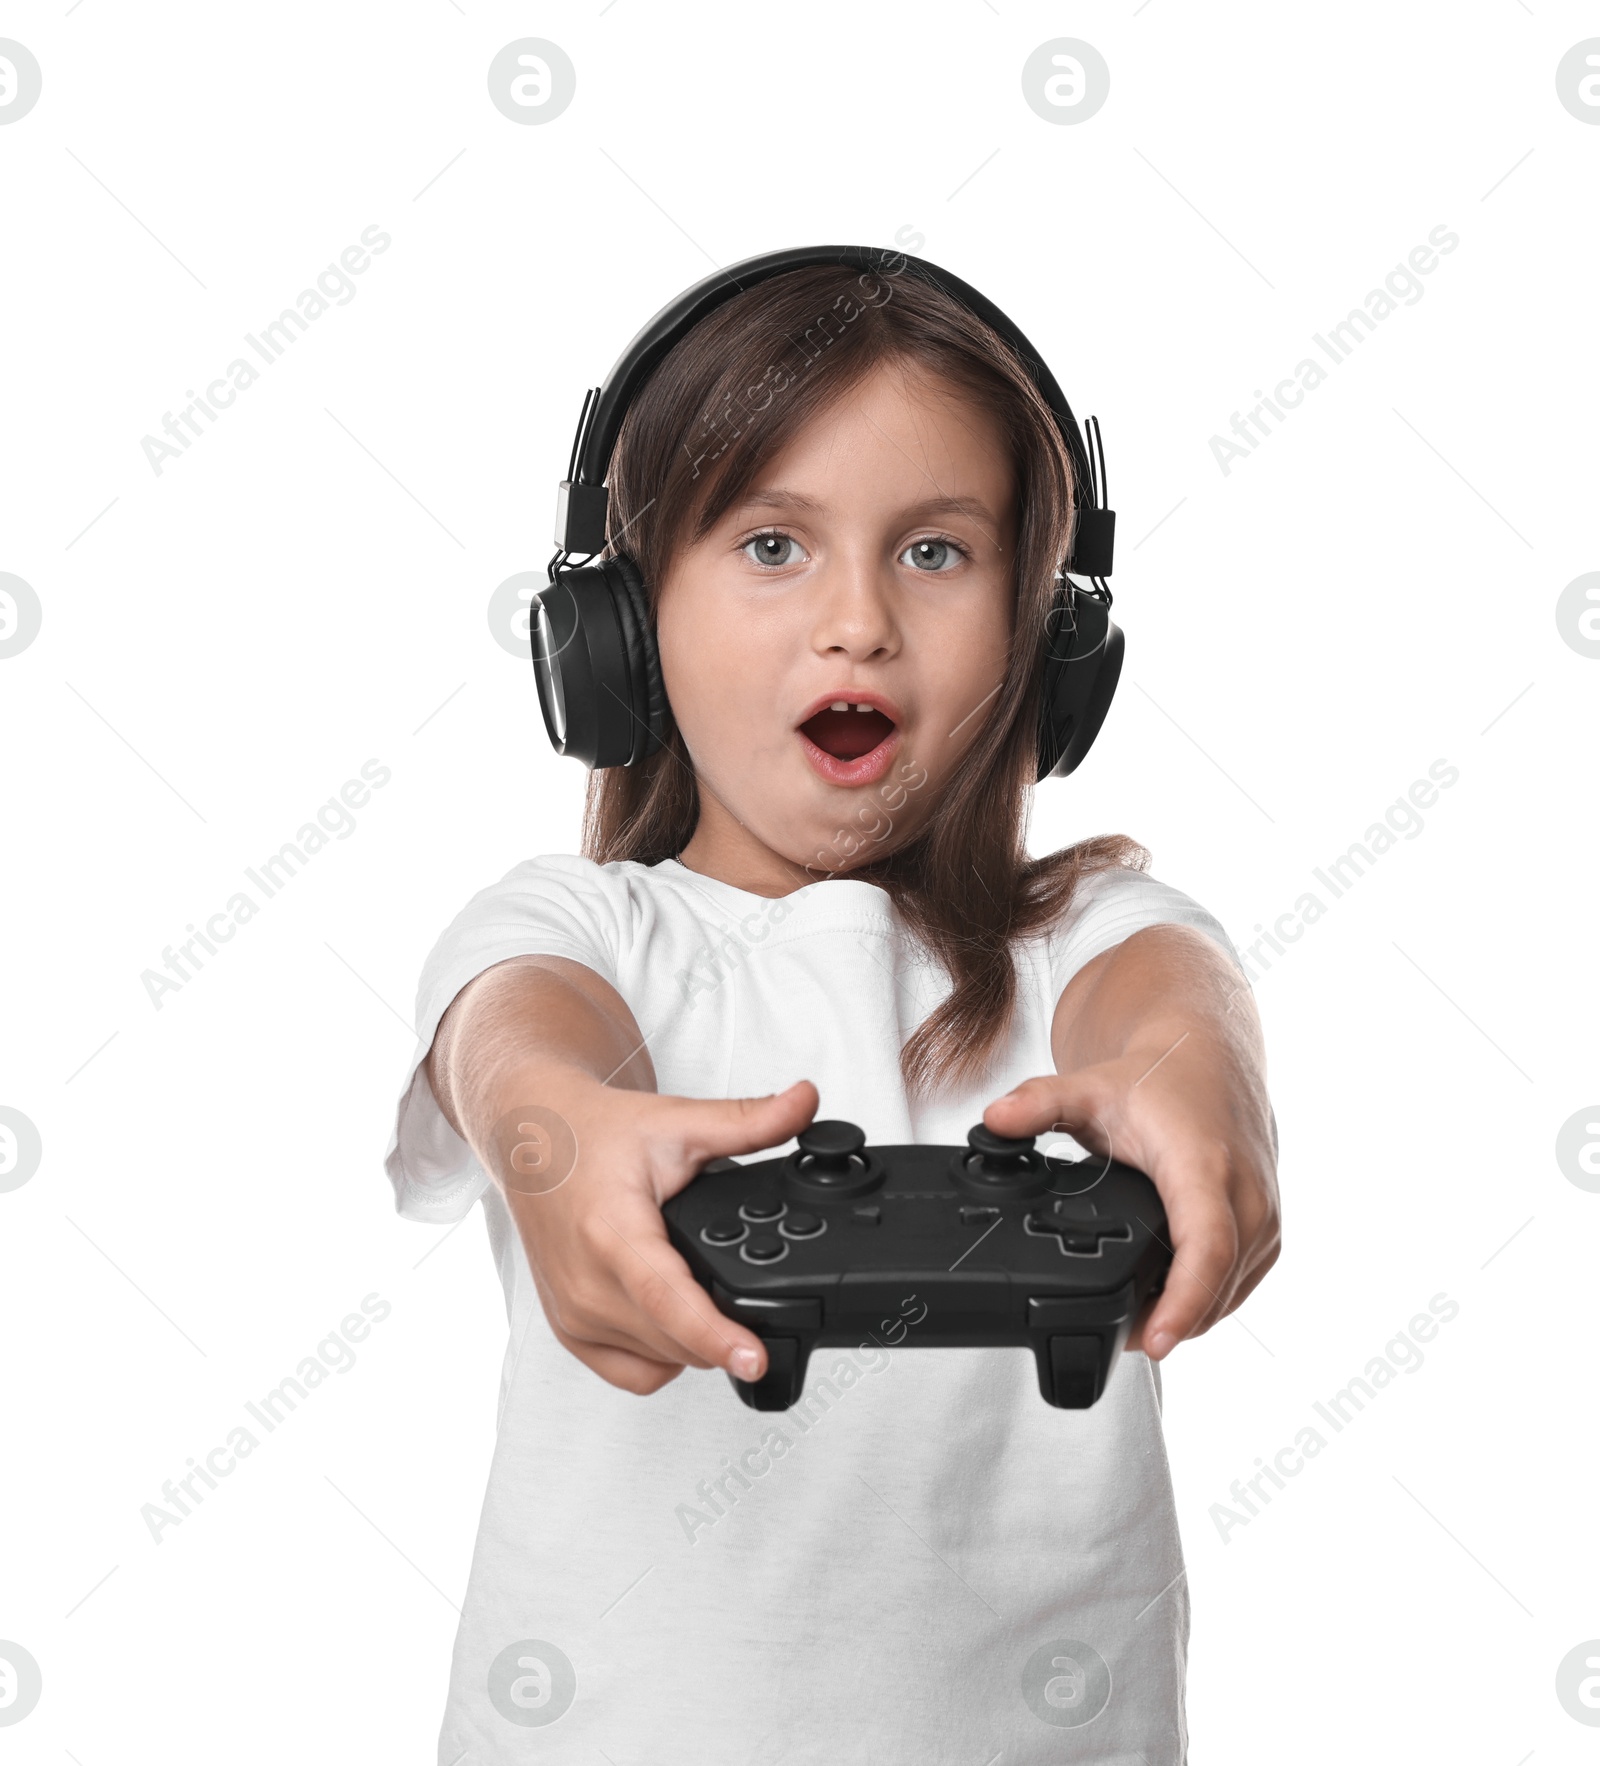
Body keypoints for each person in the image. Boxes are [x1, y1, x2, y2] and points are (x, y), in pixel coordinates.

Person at [383, 258, 1280, 1763]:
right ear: (619, 627)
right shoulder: (584, 923)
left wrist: (1201, 1079)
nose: (857, 620)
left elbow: (1174, 995)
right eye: (774, 544)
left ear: (1045, 638)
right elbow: (515, 1033)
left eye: (935, 551)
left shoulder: (1087, 942)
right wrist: (564, 1136)